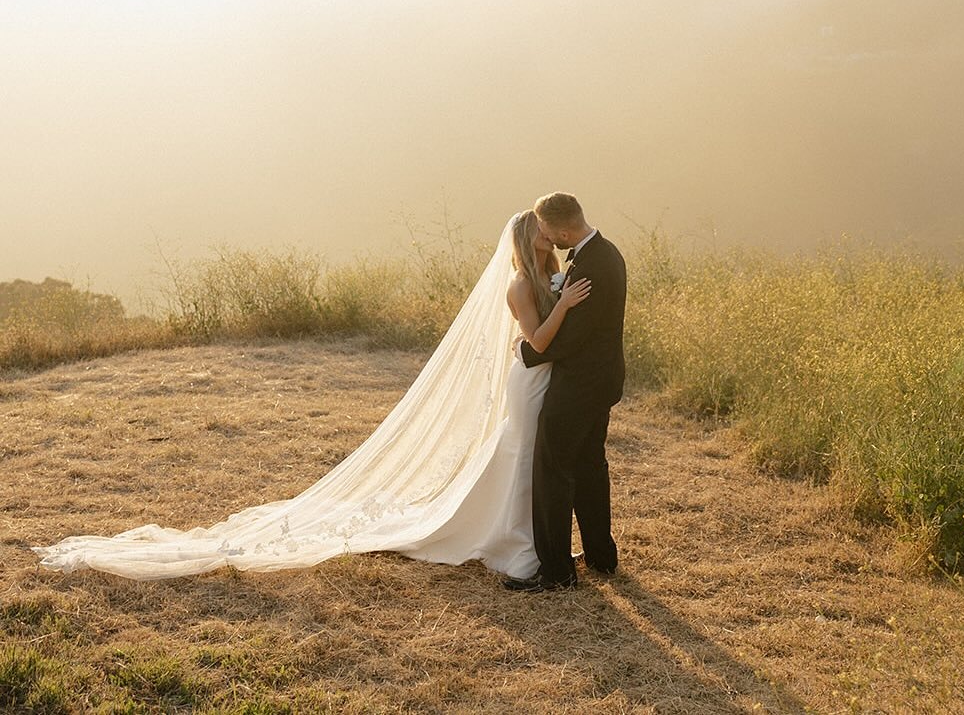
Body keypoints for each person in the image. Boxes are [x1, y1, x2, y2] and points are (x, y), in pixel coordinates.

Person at [31, 210, 591, 582]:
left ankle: (531, 541)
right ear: (527, 240)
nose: (552, 240)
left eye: (552, 234)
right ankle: (517, 545)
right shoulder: (523, 285)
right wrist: (563, 307)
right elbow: (537, 339)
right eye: (544, 235)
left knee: (531, 458)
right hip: (530, 379)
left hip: (543, 378)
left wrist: (563, 296)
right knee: (521, 457)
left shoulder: (550, 276)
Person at [504, 191, 627, 593]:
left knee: (552, 471)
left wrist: (527, 352)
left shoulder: (590, 266)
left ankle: (556, 572)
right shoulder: (605, 254)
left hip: (578, 385)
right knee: (591, 466)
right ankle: (600, 557)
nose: (541, 235)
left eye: (543, 229)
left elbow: (571, 338)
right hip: (600, 381)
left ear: (561, 229)